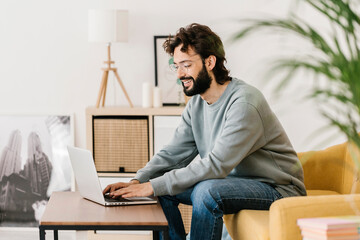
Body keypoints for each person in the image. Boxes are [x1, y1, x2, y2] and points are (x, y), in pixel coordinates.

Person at [103, 23, 307, 240]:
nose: (180, 74)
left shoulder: (245, 102)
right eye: (177, 66)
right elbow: (173, 154)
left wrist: (152, 186)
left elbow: (216, 165)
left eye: (187, 65)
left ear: (210, 62)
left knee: (205, 191)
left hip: (277, 190)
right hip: (233, 184)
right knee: (162, 189)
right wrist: (138, 182)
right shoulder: (196, 105)